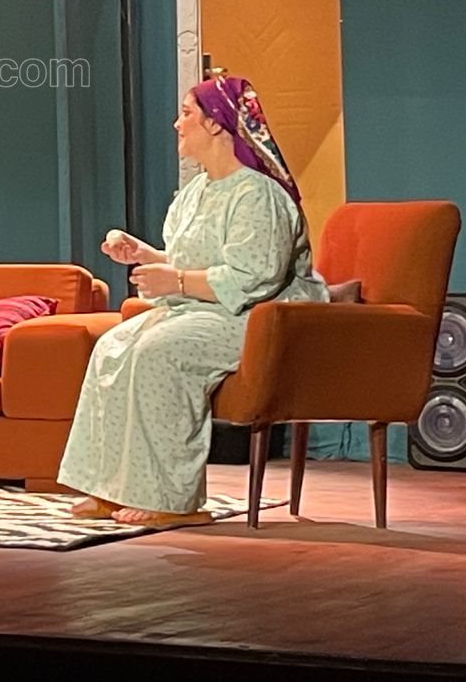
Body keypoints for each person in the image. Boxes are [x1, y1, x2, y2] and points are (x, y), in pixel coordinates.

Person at [58, 74, 325, 528]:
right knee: (111, 347)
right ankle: (112, 487)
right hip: (205, 310)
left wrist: (177, 281)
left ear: (216, 124)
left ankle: (173, 500)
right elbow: (191, 261)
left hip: (260, 318)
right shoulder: (196, 192)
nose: (176, 124)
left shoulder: (258, 194)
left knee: (159, 352)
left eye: (186, 114)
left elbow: (253, 276)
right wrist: (144, 254)